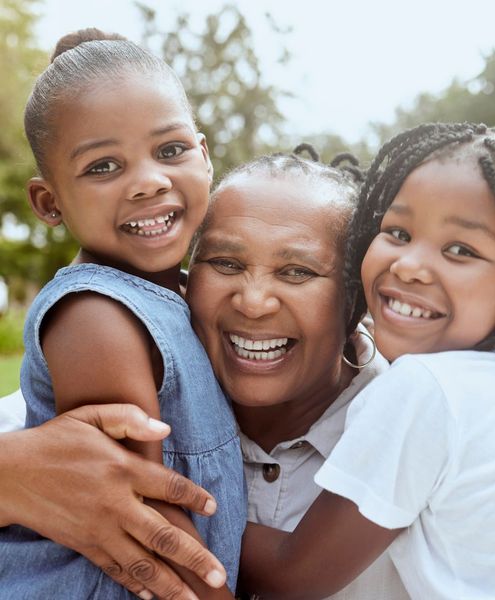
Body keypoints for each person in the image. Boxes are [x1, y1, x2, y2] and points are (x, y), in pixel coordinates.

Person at [0, 147, 410, 599]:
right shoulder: (136, 397)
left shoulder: (411, 428)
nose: (253, 303)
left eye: (297, 271)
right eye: (225, 263)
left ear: (355, 301)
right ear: (182, 279)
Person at [240, 122, 495, 599]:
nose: (407, 264)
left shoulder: (428, 388)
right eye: (397, 231)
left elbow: (295, 575)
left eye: (460, 249)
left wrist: (152, 509)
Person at [0, 29, 245, 599]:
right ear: (49, 202)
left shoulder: (185, 299)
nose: (149, 182)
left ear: (204, 157)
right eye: (104, 166)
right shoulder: (96, 317)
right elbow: (142, 519)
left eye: (170, 151)